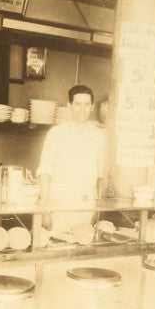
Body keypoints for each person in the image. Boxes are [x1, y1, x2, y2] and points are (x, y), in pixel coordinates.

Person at [37, 84, 106, 233]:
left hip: (87, 206)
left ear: (92, 107)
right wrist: (45, 211)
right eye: (78, 104)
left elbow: (100, 175)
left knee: (84, 243)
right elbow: (45, 173)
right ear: (69, 106)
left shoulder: (98, 135)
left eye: (87, 104)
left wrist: (98, 208)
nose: (82, 109)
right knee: (59, 241)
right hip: (60, 205)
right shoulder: (56, 133)